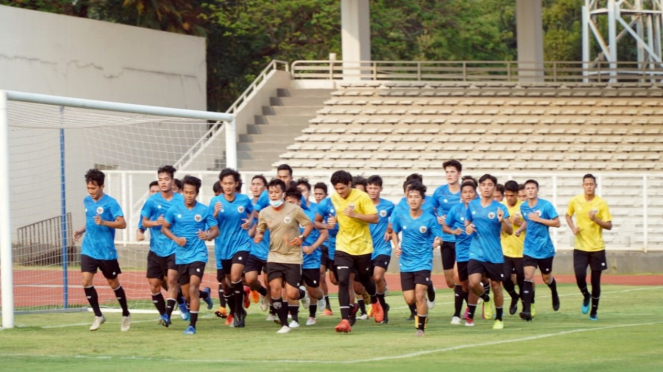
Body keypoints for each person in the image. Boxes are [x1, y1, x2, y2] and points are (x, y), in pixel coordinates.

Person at [141, 166, 213, 326]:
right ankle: (195, 297)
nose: (163, 182)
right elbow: (144, 221)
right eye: (160, 179)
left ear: (172, 181)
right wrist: (153, 224)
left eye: (166, 179)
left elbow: (204, 219)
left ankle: (168, 316)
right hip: (156, 248)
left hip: (177, 249)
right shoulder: (152, 200)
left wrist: (206, 233)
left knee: (173, 281)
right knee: (157, 285)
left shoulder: (183, 200)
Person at [73, 169, 131, 332]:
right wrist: (81, 230)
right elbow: (91, 221)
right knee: (86, 281)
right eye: (88, 188)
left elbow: (122, 223)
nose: (90, 192)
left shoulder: (111, 203)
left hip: (106, 251)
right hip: (89, 248)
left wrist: (105, 222)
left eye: (94, 188)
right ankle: (98, 315)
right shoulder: (86, 201)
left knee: (113, 284)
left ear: (102, 186)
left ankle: (126, 313)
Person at [162, 175, 219, 335]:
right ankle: (205, 294)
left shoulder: (203, 210)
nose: (188, 195)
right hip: (181, 257)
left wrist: (207, 236)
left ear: (196, 193)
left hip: (198, 255)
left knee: (193, 287)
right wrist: (175, 239)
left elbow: (216, 230)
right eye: (186, 192)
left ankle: (192, 326)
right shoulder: (174, 210)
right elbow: (164, 228)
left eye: (191, 192)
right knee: (187, 294)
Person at [255, 179, 313, 334]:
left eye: (277, 192)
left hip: (293, 257)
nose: (274, 195)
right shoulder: (264, 212)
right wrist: (259, 235)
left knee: (292, 293)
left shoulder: (294, 209)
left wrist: (301, 238)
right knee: (274, 290)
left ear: (283, 193)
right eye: (271, 192)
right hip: (274, 256)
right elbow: (260, 229)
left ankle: (303, 293)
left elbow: (308, 225)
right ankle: (284, 324)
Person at [328, 170, 383, 333]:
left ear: (350, 184)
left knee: (365, 281)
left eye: (342, 189)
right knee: (343, 280)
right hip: (343, 245)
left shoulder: (362, 197)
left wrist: (355, 215)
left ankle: (375, 300)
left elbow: (375, 218)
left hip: (362, 247)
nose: (339, 192)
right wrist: (335, 219)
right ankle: (345, 319)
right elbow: (340, 212)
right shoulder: (334, 197)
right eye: (337, 189)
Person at [391, 181, 443, 336]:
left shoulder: (429, 219)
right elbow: (394, 231)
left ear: (422, 200)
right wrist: (397, 245)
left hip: (423, 261)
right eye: (410, 197)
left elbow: (439, 237)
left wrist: (437, 241)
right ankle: (424, 308)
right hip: (406, 262)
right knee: (409, 299)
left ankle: (420, 328)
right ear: (407, 199)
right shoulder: (401, 216)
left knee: (420, 294)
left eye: (416, 197)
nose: (413, 200)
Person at [464, 174, 513, 329]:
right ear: (479, 187)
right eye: (483, 184)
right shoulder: (472, 205)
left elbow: (510, 231)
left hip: (494, 253)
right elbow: (467, 221)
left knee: (496, 286)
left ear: (494, 187)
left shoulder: (500, 208)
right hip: (476, 251)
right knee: (473, 282)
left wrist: (503, 220)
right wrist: (467, 227)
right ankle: (485, 298)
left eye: (490, 184)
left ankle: (499, 318)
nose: (486, 187)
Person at [209, 168, 254, 328]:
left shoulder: (244, 199)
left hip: (241, 244)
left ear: (236, 184)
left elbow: (253, 213)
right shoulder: (215, 202)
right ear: (221, 184)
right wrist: (214, 214)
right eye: (225, 183)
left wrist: (250, 222)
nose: (228, 186)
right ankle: (236, 310)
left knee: (235, 277)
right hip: (223, 247)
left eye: (231, 183)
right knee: (227, 284)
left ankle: (238, 312)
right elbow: (208, 224)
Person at [565, 174, 612, 320]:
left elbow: (609, 225)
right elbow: (567, 215)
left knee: (595, 281)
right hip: (580, 247)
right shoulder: (575, 200)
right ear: (583, 185)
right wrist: (573, 228)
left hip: (597, 247)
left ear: (595, 186)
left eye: (591, 184)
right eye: (586, 184)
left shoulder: (601, 203)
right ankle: (586, 295)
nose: (589, 186)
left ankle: (594, 312)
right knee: (579, 276)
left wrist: (595, 219)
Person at [515, 179, 561, 321]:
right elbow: (527, 221)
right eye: (527, 188)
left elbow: (557, 222)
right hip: (529, 248)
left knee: (546, 278)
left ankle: (553, 290)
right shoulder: (523, 207)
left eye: (532, 188)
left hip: (545, 248)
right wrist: (520, 229)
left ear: (537, 190)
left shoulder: (546, 205)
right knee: (527, 276)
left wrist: (539, 219)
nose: (530, 190)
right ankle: (527, 311)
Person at [285, 187, 328, 326]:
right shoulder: (285, 218)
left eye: (292, 202)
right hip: (292, 259)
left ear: (299, 201)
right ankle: (294, 319)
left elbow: (324, 233)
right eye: (287, 202)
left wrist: (312, 247)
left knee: (313, 291)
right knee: (291, 289)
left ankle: (318, 302)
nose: (290, 205)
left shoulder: (310, 216)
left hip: (311, 258)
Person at [442, 179, 476, 325]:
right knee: (462, 283)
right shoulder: (456, 209)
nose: (467, 195)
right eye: (465, 192)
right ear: (461, 195)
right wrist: (452, 231)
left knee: (473, 282)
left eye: (470, 192)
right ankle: (466, 308)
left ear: (475, 194)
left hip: (477, 251)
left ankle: (460, 314)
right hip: (461, 251)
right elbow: (445, 227)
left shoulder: (480, 208)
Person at [366, 175, 395, 324]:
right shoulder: (362, 205)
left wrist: (390, 231)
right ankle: (382, 306)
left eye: (375, 188)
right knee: (370, 280)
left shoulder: (388, 205)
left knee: (377, 277)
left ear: (380, 189)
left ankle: (382, 308)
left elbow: (396, 221)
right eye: (370, 188)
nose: (372, 191)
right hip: (365, 249)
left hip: (382, 247)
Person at [432, 160, 463, 291]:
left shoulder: (466, 191)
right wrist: (437, 217)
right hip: (445, 238)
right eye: (447, 172)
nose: (449, 175)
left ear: (459, 174)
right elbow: (430, 210)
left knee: (459, 276)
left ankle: (468, 306)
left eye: (452, 172)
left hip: (462, 239)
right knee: (450, 282)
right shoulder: (439, 191)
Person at [244, 175, 271, 318]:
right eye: (253, 184)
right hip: (252, 249)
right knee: (249, 279)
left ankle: (273, 312)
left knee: (269, 281)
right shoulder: (247, 204)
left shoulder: (270, 205)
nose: (255, 187)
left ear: (265, 188)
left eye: (258, 184)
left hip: (269, 249)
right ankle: (263, 293)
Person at [501, 180, 526, 315]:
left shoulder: (524, 206)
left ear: (517, 194)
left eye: (512, 195)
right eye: (507, 195)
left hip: (521, 250)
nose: (509, 198)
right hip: (505, 249)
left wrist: (520, 222)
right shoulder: (501, 206)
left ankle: (524, 305)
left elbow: (530, 223)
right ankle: (514, 296)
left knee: (522, 280)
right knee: (504, 278)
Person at [313, 182, 334, 315]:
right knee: (320, 275)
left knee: (335, 279)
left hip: (333, 246)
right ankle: (327, 306)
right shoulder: (312, 209)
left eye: (321, 194)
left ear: (326, 195)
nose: (318, 196)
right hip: (320, 248)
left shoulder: (329, 206)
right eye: (316, 194)